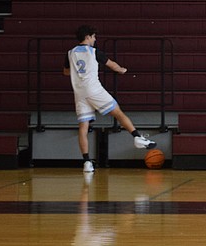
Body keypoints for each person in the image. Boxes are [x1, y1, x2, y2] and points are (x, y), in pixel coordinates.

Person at [63, 25, 156, 173]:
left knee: (83, 127)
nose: (95, 39)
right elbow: (112, 65)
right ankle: (137, 137)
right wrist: (122, 70)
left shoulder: (70, 53)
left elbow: (66, 72)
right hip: (94, 90)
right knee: (118, 112)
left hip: (79, 93)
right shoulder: (94, 52)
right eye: (94, 36)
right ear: (88, 36)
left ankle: (87, 162)